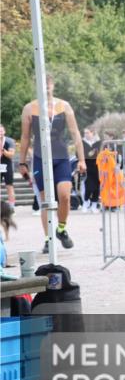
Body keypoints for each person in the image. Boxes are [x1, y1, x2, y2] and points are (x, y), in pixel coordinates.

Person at [18, 75, 86, 253]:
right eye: (42, 83)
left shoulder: (64, 106)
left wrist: (82, 159)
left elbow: (75, 133)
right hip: (41, 159)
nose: (46, 86)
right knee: (46, 201)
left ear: (53, 85)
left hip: (61, 156)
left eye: (48, 83)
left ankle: (61, 229)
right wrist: (22, 162)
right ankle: (48, 239)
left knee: (64, 196)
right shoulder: (29, 108)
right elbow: (25, 138)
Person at [81, 128, 101, 212]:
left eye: (88, 133)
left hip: (97, 166)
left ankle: (94, 205)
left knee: (97, 186)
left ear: (92, 133)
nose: (86, 134)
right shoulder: (82, 142)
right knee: (88, 186)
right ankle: (85, 203)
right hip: (87, 166)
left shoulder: (98, 142)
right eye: (85, 133)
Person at [1, 124, 16, 208]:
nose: (0, 133)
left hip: (7, 165)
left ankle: (12, 207)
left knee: (9, 186)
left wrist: (4, 151)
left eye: (1, 131)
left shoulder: (9, 141)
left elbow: (11, 155)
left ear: (4, 131)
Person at [1, 200, 14, 268]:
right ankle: (7, 236)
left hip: (4, 207)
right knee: (5, 222)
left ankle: (7, 236)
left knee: (4, 222)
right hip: (4, 207)